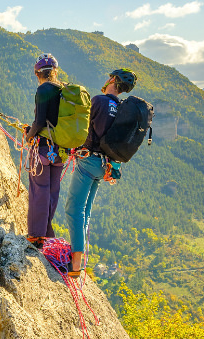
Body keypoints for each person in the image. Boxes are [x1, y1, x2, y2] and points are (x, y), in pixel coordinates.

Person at [63, 68, 137, 277]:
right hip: (104, 166)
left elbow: (83, 129)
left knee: (72, 208)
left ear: (113, 80)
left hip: (88, 161)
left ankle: (75, 263)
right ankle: (81, 257)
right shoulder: (121, 108)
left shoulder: (99, 101)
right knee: (85, 210)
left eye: (109, 77)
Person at [22, 53, 65, 248]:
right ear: (55, 72)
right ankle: (47, 233)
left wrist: (29, 135)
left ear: (37, 73)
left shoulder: (43, 90)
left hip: (41, 148)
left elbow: (39, 121)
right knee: (52, 192)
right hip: (60, 151)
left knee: (39, 190)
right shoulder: (63, 90)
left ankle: (35, 235)